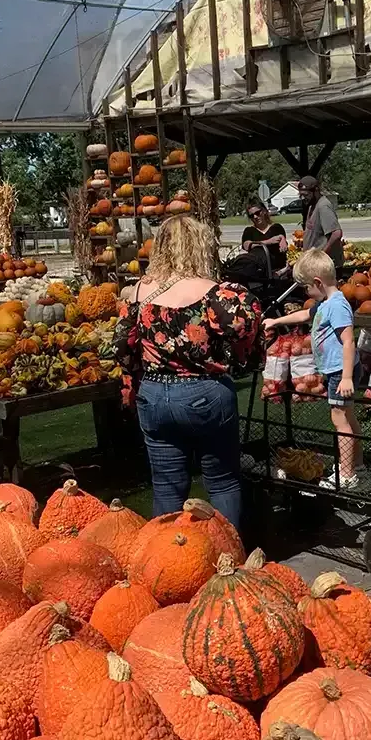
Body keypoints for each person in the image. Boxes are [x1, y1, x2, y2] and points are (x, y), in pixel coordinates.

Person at [114, 215, 262, 528]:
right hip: (205, 392)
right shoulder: (215, 293)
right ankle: (228, 558)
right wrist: (236, 361)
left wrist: (132, 386)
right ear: (201, 247)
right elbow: (246, 331)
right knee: (222, 482)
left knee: (167, 487)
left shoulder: (140, 291)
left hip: (153, 394)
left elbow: (122, 348)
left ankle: (166, 564)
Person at [264, 248, 363, 490]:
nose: (305, 292)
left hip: (342, 371)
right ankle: (356, 464)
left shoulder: (337, 306)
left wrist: (347, 377)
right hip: (337, 371)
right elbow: (303, 315)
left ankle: (347, 474)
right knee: (348, 417)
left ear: (317, 282)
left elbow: (349, 341)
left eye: (306, 287)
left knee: (339, 419)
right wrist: (276, 321)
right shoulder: (324, 304)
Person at [298, 175, 344, 274]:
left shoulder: (323, 206)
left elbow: (336, 233)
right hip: (315, 263)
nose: (303, 198)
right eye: (301, 195)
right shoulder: (312, 205)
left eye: (306, 195)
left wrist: (323, 253)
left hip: (324, 266)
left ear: (316, 190)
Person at [241, 197, 288, 274]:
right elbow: (246, 245)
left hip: (278, 269)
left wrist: (282, 239)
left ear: (264, 211)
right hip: (258, 270)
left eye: (257, 213)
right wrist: (268, 242)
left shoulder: (276, 227)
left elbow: (282, 239)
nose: (255, 217)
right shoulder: (249, 230)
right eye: (251, 215)